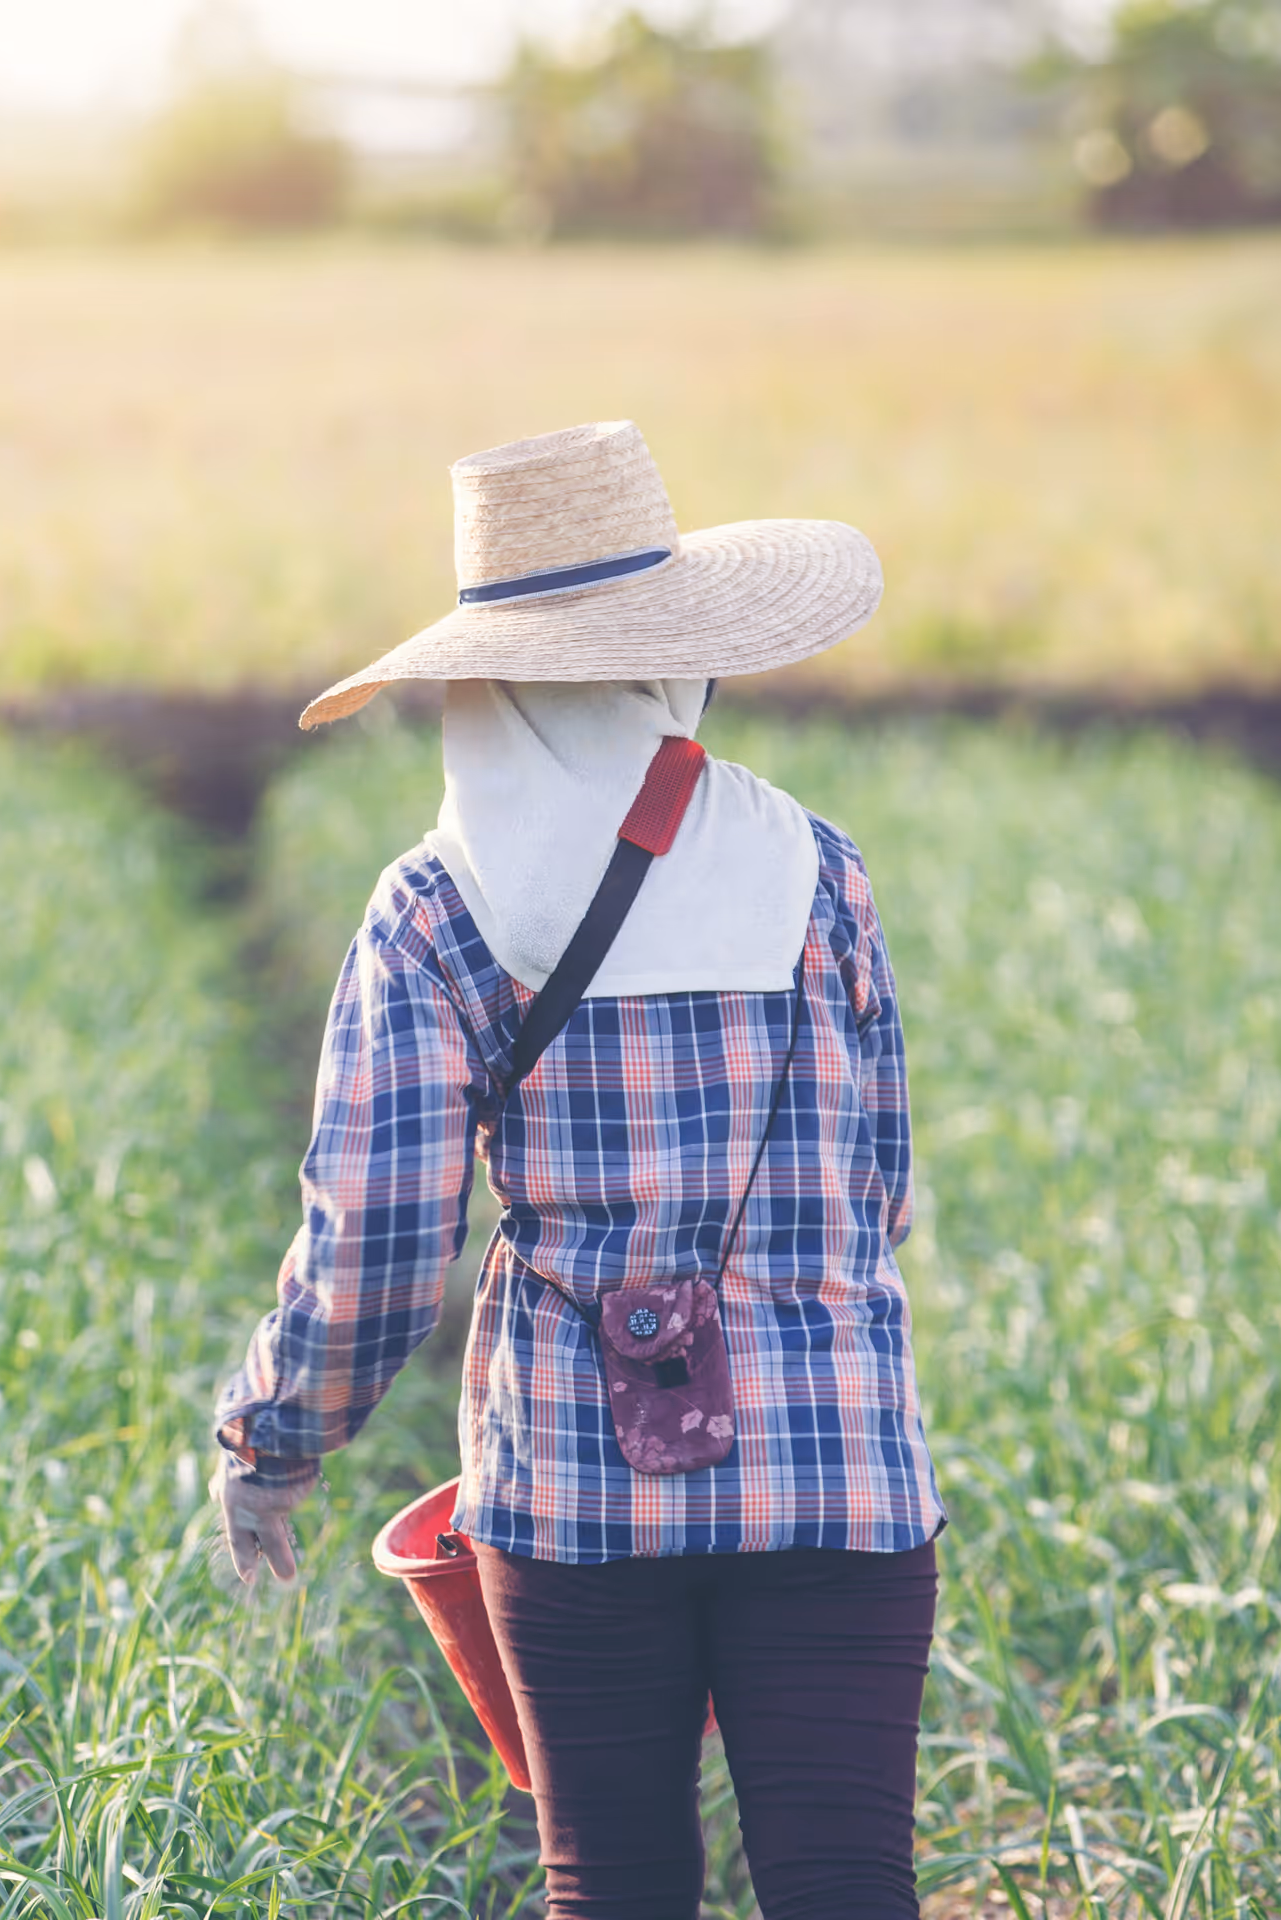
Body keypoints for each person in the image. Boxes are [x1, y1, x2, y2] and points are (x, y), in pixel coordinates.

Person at [211, 422, 943, 1918]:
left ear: (480, 680)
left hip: (577, 1490)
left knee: (610, 1884)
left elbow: (377, 1253)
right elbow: (884, 1194)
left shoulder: (438, 908)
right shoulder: (819, 868)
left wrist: (270, 1448)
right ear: (671, 658)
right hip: (844, 1473)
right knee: (849, 1885)